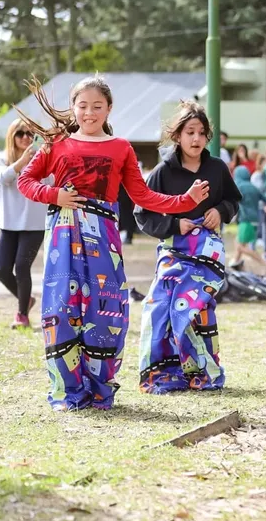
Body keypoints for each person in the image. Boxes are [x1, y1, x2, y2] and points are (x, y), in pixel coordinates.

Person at [17, 75, 208, 411]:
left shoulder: (121, 147)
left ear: (108, 109)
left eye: (97, 106)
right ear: (74, 107)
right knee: (61, 311)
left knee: (104, 313)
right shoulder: (55, 144)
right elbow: (25, 180)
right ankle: (67, 392)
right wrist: (54, 195)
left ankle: (99, 390)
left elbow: (143, 195)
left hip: (103, 239)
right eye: (83, 106)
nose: (89, 113)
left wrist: (185, 200)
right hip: (63, 236)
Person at [134, 101, 241, 394]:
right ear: (177, 136)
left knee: (199, 310)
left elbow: (234, 202)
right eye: (189, 132)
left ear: (208, 137)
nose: (196, 139)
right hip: (173, 252)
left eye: (201, 133)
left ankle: (203, 374)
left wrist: (220, 211)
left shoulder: (217, 168)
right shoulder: (162, 172)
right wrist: (173, 225)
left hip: (208, 254)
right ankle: (163, 374)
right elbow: (142, 214)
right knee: (160, 308)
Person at [0, 119, 49, 328]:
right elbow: (4, 178)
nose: (26, 137)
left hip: (34, 225)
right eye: (20, 133)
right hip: (8, 225)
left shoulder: (41, 161)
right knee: (2, 269)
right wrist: (22, 162)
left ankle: (22, 315)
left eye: (30, 133)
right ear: (12, 136)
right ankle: (27, 299)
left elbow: (50, 182)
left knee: (22, 267)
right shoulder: (0, 160)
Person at [231, 165, 265, 269]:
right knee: (240, 241)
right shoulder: (253, 187)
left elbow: (234, 201)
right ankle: (236, 262)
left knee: (240, 246)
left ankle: (264, 263)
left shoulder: (239, 186)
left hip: (245, 219)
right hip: (255, 219)